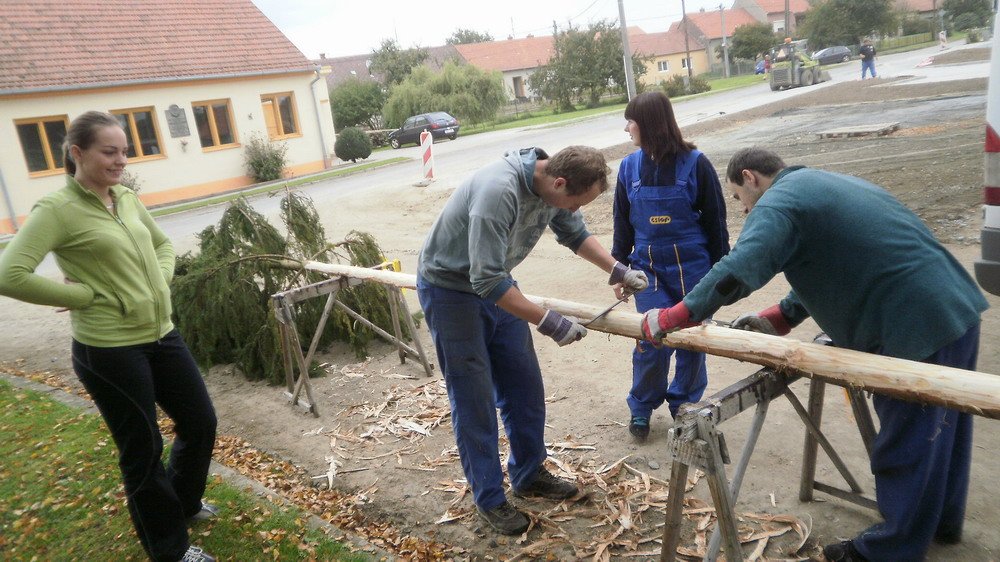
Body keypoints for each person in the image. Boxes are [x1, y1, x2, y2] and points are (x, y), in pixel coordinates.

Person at [640, 147, 988, 562]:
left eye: (738, 197)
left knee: (908, 444)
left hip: (914, 327)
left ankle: (887, 551)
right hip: (955, 310)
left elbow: (739, 268)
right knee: (944, 433)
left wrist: (672, 318)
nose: (743, 208)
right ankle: (939, 525)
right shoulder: (822, 183)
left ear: (750, 178)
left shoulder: (779, 202)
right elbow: (833, 261)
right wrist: (780, 317)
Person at [0, 111, 219, 562]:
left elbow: (162, 245)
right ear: (77, 153)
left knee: (200, 423)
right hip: (109, 348)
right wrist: (85, 295)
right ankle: (170, 551)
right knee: (143, 448)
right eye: (109, 152)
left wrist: (158, 280)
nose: (121, 161)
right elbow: (10, 274)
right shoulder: (56, 210)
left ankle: (183, 503)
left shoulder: (126, 198)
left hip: (162, 334)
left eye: (124, 151)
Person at [416, 145, 648, 536]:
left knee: (523, 386)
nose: (574, 209)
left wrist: (617, 269)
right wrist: (548, 322)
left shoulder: (554, 186)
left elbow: (574, 235)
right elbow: (484, 280)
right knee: (474, 399)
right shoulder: (498, 192)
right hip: (451, 290)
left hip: (497, 282)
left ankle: (528, 473)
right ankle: (489, 498)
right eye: (576, 201)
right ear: (558, 182)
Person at [612, 92, 730, 442]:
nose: (626, 127)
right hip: (647, 270)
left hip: (694, 269)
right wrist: (618, 270)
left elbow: (716, 224)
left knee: (692, 342)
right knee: (650, 339)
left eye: (631, 120)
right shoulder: (628, 168)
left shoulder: (696, 164)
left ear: (648, 123)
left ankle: (684, 407)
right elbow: (623, 225)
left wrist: (721, 274)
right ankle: (641, 407)